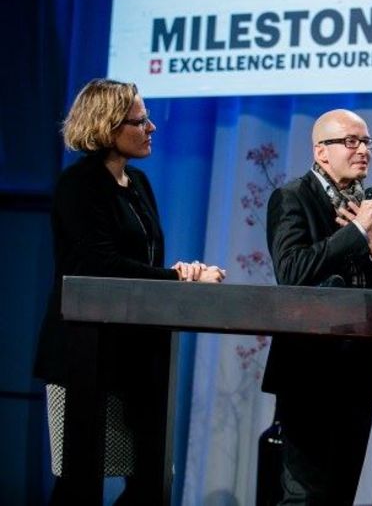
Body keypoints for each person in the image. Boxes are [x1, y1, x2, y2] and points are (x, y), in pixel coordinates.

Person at [34, 79, 225, 505]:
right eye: (140, 121)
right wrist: (178, 279)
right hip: (86, 353)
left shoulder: (138, 182)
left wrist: (177, 273)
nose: (151, 128)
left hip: (138, 355)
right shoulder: (78, 184)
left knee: (150, 482)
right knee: (78, 483)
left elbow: (143, 262)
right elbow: (97, 265)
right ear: (107, 126)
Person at [261, 109, 372, 504]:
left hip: (356, 371)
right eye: (351, 142)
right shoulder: (292, 197)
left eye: (367, 142)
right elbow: (292, 271)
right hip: (308, 370)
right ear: (321, 151)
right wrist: (356, 230)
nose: (363, 150)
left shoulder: (368, 203)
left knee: (341, 495)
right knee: (304, 496)